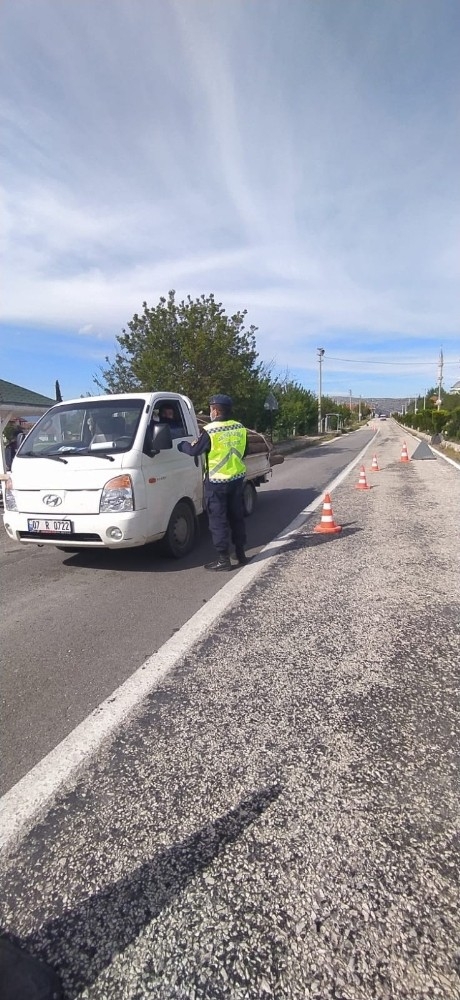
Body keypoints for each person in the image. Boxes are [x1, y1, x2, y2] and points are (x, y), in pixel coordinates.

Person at [177, 394, 250, 571]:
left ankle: (223, 560)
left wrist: (182, 445)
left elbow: (194, 451)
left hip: (217, 483)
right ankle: (240, 554)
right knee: (236, 518)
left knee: (218, 521)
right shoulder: (240, 428)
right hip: (236, 479)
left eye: (210, 409)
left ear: (216, 410)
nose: (210, 412)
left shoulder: (210, 431)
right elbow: (245, 451)